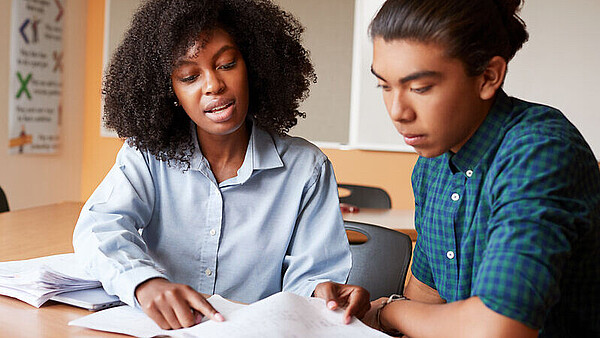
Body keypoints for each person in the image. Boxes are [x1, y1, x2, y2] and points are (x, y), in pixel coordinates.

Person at [73, 0, 369, 330]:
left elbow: (311, 279)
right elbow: (100, 226)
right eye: (188, 76)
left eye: (226, 64)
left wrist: (321, 294)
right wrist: (144, 283)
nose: (213, 85)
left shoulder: (306, 169)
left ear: (254, 66)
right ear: (170, 90)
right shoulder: (148, 155)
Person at [360, 0, 600, 336]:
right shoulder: (432, 166)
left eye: (419, 87)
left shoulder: (540, 152)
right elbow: (427, 296)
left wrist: (388, 310)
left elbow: (498, 328)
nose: (398, 111)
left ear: (488, 77)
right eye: (384, 85)